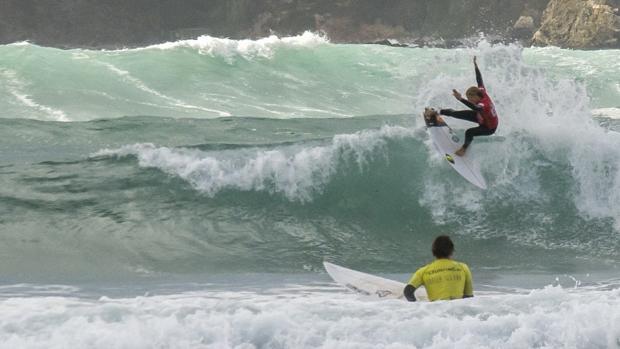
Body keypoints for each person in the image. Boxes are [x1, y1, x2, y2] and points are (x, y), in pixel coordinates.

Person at [440, 56, 499, 156]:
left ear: (476, 96)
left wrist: (461, 99)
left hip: (489, 127)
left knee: (469, 132)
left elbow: (476, 108)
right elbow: (479, 80)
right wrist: (475, 66)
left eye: (470, 99)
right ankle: (438, 112)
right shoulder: (481, 91)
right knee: (454, 113)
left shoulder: (484, 105)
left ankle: (463, 150)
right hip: (480, 117)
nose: (469, 100)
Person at [403, 235, 473, 302]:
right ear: (452, 251)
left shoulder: (423, 271)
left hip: (437, 310)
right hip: (456, 310)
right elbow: (469, 296)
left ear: (433, 252)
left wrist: (417, 308)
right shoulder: (463, 267)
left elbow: (408, 291)